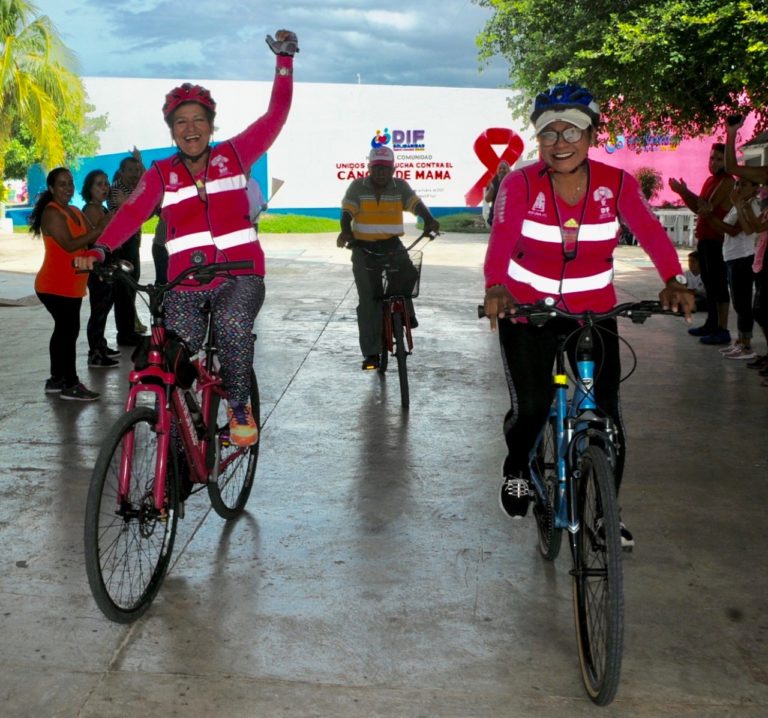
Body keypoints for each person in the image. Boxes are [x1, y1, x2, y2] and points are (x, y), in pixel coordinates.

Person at [482, 82, 693, 548]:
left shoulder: (617, 183)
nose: (560, 142)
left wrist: (672, 279)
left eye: (572, 131)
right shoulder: (519, 184)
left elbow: (651, 231)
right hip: (528, 312)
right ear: (538, 139)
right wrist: (496, 286)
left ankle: (604, 515)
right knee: (533, 407)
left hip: (593, 316)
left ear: (591, 134)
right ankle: (517, 466)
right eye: (549, 133)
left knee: (607, 420)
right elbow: (501, 236)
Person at [74, 28, 298, 446]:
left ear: (211, 126)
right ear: (172, 130)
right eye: (181, 122)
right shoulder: (161, 173)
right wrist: (101, 247)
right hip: (184, 284)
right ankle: (178, 446)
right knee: (170, 355)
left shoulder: (235, 155)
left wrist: (284, 62)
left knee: (232, 326)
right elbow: (132, 212)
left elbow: (275, 116)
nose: (190, 128)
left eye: (198, 120)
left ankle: (237, 405)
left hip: (240, 276)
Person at [337, 145, 440, 370]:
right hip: (363, 249)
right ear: (369, 168)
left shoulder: (400, 187)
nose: (381, 172)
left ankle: (404, 312)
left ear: (393, 169)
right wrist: (346, 231)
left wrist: (429, 220)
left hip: (392, 245)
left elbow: (415, 205)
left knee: (409, 272)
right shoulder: (357, 186)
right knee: (369, 301)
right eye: (376, 168)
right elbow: (346, 212)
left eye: (385, 168)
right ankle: (372, 355)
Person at [31, 167, 108, 401]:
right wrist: (100, 228)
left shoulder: (74, 210)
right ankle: (70, 384)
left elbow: (93, 237)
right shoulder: (52, 213)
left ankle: (57, 379)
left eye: (70, 183)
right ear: (52, 189)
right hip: (54, 286)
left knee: (64, 332)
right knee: (67, 332)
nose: (68, 188)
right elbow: (70, 244)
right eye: (62, 184)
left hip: (71, 286)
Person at [668, 144, 734, 345]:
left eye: (719, 159)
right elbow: (699, 208)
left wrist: (686, 191)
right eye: (712, 158)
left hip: (718, 240)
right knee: (711, 286)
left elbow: (708, 207)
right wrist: (683, 194)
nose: (713, 163)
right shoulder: (710, 181)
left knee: (719, 287)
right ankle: (711, 323)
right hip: (705, 239)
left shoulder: (727, 182)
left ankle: (722, 329)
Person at [723, 116, 768, 380]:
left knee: (758, 308)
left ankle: (749, 344)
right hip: (762, 252)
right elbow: (732, 166)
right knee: (759, 308)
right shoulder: (763, 176)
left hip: (751, 254)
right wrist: (731, 133)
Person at [699, 178, 760, 360]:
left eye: (743, 184)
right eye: (737, 184)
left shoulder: (751, 206)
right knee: (738, 302)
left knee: (743, 303)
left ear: (755, 188)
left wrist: (711, 218)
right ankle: (741, 342)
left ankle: (747, 345)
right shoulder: (738, 205)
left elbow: (735, 230)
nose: (738, 187)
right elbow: (725, 229)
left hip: (743, 257)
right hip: (732, 257)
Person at [81, 170, 120, 369]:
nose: (104, 188)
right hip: (99, 268)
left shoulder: (102, 208)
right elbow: (99, 237)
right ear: (89, 189)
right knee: (99, 310)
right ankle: (95, 353)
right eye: (99, 184)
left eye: (106, 183)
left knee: (104, 309)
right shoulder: (92, 209)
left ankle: (101, 345)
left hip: (107, 265)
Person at [108, 150, 146, 345]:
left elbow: (148, 188)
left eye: (136, 170)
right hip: (122, 244)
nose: (134, 173)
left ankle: (130, 330)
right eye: (130, 170)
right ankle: (124, 334)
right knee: (124, 289)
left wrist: (141, 162)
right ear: (121, 172)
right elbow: (130, 213)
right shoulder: (116, 189)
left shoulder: (131, 188)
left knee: (132, 285)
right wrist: (136, 209)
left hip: (132, 241)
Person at [484, 160, 511, 227]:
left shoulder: (513, 180)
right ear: (497, 170)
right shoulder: (493, 181)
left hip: (509, 213)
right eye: (500, 168)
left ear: (508, 170)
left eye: (504, 168)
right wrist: (491, 188)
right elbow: (487, 200)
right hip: (495, 213)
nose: (501, 170)